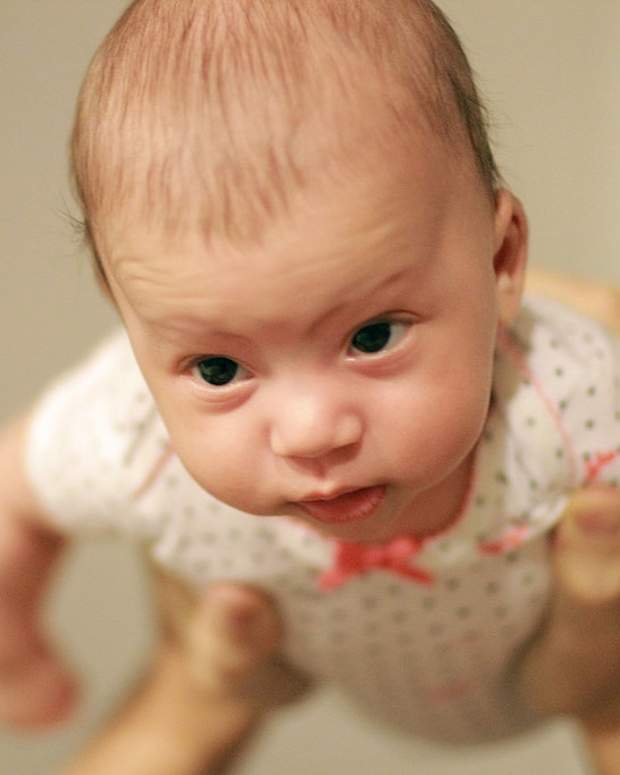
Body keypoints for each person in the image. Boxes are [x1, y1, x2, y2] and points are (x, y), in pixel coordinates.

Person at [2, 0, 620, 768]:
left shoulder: (566, 398)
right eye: (220, 370)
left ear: (500, 265)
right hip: (279, 642)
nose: (310, 432)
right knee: (190, 701)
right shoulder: (135, 435)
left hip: (570, 658)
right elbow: (14, 490)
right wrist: (16, 640)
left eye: (372, 336)